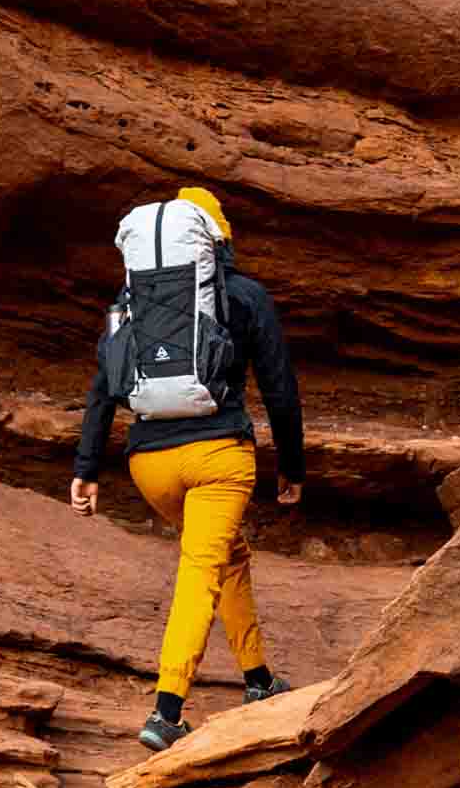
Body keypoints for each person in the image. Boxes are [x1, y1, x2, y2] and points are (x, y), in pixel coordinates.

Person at [69, 184, 306, 753]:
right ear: (217, 237)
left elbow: (105, 385)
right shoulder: (244, 295)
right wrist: (292, 466)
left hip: (149, 463)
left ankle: (257, 679)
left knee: (228, 556)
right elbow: (279, 388)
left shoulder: (134, 302)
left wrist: (86, 467)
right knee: (200, 571)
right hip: (218, 457)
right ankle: (167, 709)